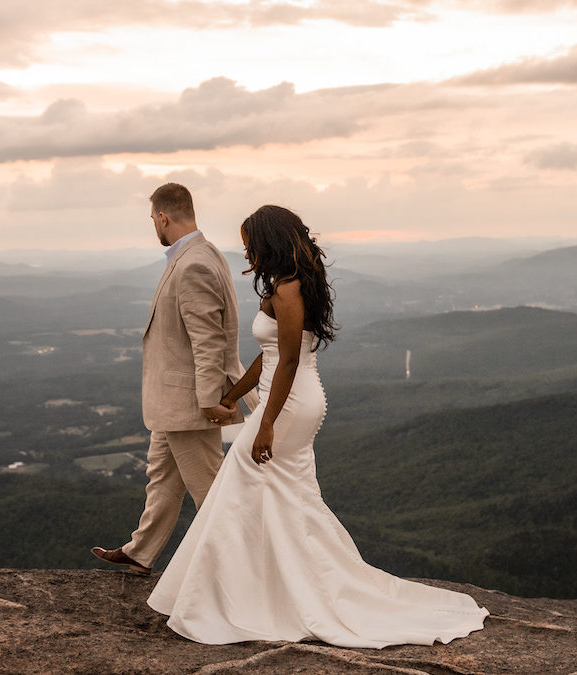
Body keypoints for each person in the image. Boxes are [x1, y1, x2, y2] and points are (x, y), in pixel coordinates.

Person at [147, 205, 489, 648]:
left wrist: (265, 423)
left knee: (245, 480)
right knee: (283, 495)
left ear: (268, 241)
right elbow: (269, 357)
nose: (245, 249)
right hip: (284, 398)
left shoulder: (288, 291)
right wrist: (232, 398)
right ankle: (263, 589)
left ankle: (245, 596)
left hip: (288, 403)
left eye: (250, 241)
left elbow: (288, 360)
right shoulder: (286, 285)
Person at [92, 183, 257, 575]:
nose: (154, 224)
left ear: (163, 217)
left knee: (210, 490)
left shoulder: (193, 263)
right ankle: (141, 551)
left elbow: (208, 340)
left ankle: (244, 573)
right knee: (162, 475)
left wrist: (205, 401)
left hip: (188, 401)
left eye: (153, 218)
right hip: (174, 401)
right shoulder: (203, 252)